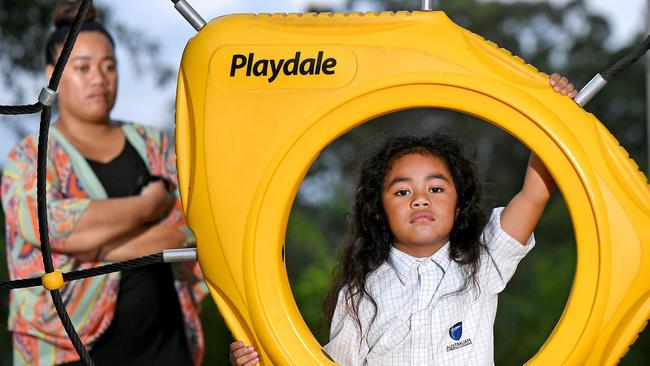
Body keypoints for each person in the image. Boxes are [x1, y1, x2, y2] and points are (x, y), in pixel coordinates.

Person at [229, 74, 576, 366]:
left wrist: (556, 113)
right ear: (379, 211)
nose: (420, 198)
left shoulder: (481, 265)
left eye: (436, 188)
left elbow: (534, 195)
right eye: (402, 192)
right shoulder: (360, 293)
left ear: (459, 205)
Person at [1, 1, 206, 365]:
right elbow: (52, 231)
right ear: (53, 75)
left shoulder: (154, 144)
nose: (99, 78)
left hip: (165, 346)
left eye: (109, 66)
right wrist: (148, 207)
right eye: (82, 68)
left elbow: (186, 228)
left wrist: (89, 249)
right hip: (65, 351)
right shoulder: (27, 158)